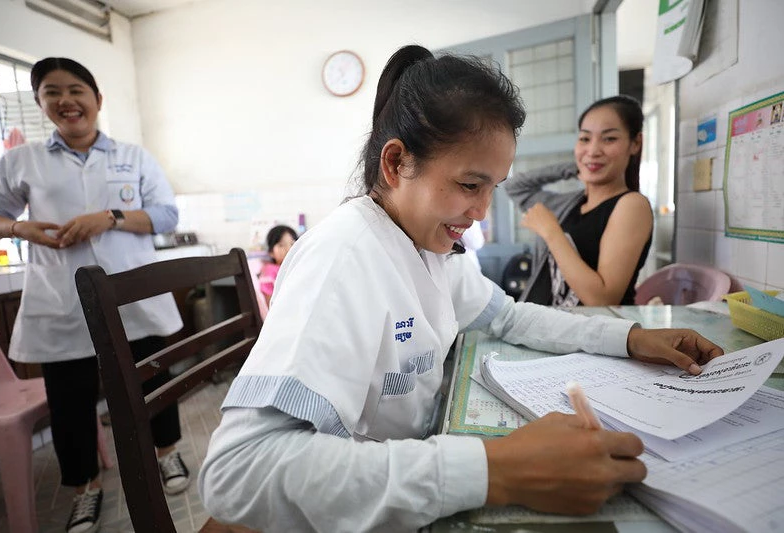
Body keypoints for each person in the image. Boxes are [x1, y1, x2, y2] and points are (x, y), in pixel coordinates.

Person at [198, 45, 723, 533]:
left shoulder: (432, 247)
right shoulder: (344, 258)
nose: (480, 213)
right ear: (397, 162)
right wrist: (497, 470)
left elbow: (508, 318)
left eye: (492, 188)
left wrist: (629, 337)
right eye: (470, 185)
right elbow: (239, 472)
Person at [0, 57, 191, 533]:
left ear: (97, 99)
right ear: (41, 103)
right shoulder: (22, 161)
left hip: (131, 298)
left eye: (76, 90)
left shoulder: (133, 157)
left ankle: (168, 454)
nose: (66, 101)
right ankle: (85, 490)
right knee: (70, 403)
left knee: (152, 382)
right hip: (61, 302)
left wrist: (111, 217)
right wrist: (19, 227)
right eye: (52, 92)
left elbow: (165, 216)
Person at [505, 95, 653, 306]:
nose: (593, 151)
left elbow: (602, 299)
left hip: (595, 334)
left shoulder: (631, 205)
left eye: (609, 138)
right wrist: (574, 168)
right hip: (552, 326)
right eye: (585, 139)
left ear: (635, 143)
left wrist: (552, 232)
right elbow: (515, 186)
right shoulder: (570, 204)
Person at [258, 224, 297, 305]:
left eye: (292, 244)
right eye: (281, 245)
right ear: (271, 252)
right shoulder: (270, 270)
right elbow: (270, 304)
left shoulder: (297, 267)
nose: (288, 249)